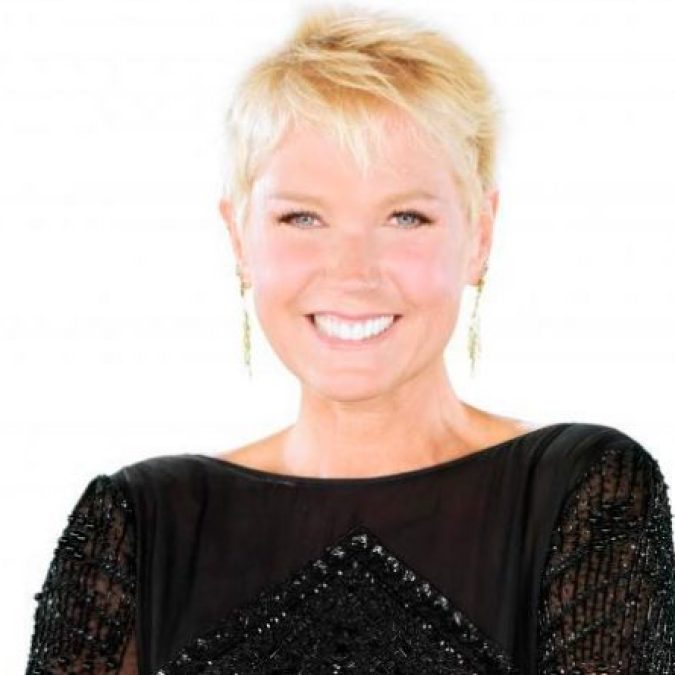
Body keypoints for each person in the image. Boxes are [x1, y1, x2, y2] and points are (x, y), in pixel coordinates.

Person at [25, 6, 675, 674]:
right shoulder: (139, 527)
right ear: (239, 237)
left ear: (479, 234)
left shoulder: (580, 494)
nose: (353, 272)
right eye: (302, 217)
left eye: (405, 216)